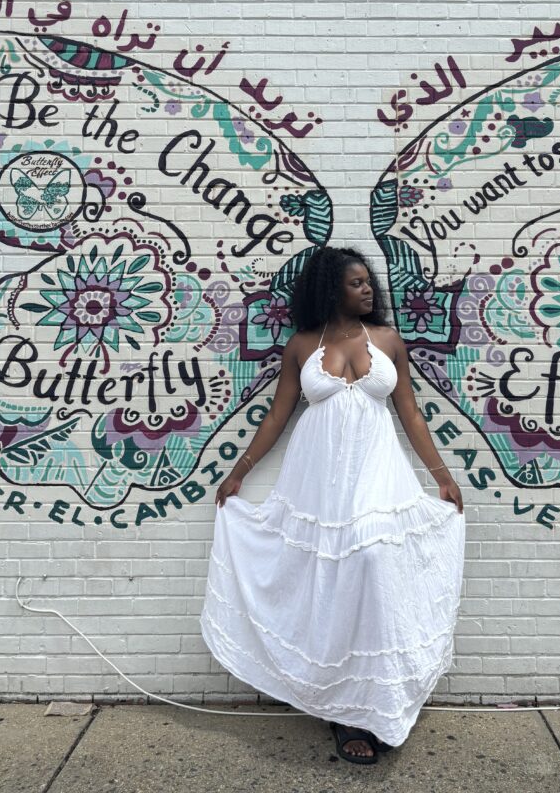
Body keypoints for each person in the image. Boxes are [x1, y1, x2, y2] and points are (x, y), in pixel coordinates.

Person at [200, 246, 466, 764]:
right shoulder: (302, 345)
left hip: (376, 477)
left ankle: (379, 699)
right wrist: (239, 473)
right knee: (328, 582)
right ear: (331, 289)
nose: (368, 289)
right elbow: (278, 415)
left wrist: (442, 477)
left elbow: (410, 412)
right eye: (357, 283)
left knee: (373, 564)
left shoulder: (388, 340)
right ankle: (343, 709)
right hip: (318, 482)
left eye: (370, 282)